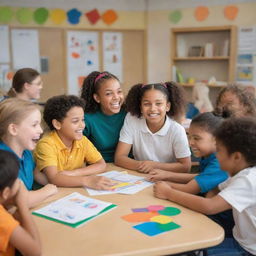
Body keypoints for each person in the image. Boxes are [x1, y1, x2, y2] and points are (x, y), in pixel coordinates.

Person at [154, 117, 256, 256]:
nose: (216, 155)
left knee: (185, 249)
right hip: (238, 240)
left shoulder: (249, 180)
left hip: (247, 250)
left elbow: (209, 206)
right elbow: (217, 188)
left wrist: (168, 193)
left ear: (236, 157)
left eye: (219, 151)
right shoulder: (242, 174)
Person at [34, 95, 114, 189]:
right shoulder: (46, 144)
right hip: (48, 194)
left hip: (70, 190)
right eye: (75, 121)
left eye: (83, 120)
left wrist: (74, 173)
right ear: (57, 124)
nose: (82, 125)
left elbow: (101, 164)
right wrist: (87, 180)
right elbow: (54, 178)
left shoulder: (82, 141)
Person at [114, 82, 191, 173]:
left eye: (158, 104)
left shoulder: (177, 130)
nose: (153, 109)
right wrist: (143, 166)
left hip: (167, 178)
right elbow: (119, 158)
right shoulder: (132, 120)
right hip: (141, 176)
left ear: (167, 106)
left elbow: (186, 166)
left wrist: (154, 165)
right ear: (141, 107)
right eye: (147, 104)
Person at [148, 112, 228, 195]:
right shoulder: (210, 155)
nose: (190, 143)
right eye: (189, 137)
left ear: (217, 140)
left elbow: (189, 189)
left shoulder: (220, 163)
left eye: (196, 138)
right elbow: (201, 176)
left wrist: (163, 184)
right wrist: (166, 175)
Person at [0, 98, 57, 208]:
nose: (40, 130)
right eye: (34, 125)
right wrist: (47, 191)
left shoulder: (26, 152)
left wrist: (55, 183)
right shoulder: (3, 160)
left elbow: (35, 174)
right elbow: (17, 200)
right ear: (13, 129)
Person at [0, 150, 41, 256]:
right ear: (6, 192)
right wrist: (23, 206)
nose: (20, 182)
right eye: (16, 180)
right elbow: (35, 252)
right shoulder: (2, 219)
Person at [81, 71, 126, 163]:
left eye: (119, 91)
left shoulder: (128, 114)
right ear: (97, 98)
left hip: (127, 166)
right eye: (109, 93)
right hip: (99, 167)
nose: (116, 97)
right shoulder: (87, 119)